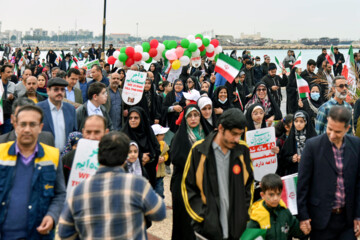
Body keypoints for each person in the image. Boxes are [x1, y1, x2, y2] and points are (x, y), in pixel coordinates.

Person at [58, 132, 166, 239]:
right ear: (125, 158)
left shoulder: (79, 190)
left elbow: (64, 232)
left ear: (98, 154)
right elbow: (159, 213)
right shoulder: (138, 185)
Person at [182, 108, 254, 240]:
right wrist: (204, 218)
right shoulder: (198, 150)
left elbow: (248, 186)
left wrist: (243, 216)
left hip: (236, 231)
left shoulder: (243, 150)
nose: (237, 139)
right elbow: (187, 187)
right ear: (221, 128)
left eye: (240, 134)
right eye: (233, 134)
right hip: (207, 233)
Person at [0, 105, 66, 239]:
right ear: (14, 124)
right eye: (23, 124)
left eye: (32, 124)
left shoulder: (53, 156)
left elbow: (60, 194)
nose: (27, 129)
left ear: (40, 127)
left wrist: (52, 216)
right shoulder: (1, 153)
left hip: (39, 235)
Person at [297, 106, 360, 240]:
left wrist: (357, 215)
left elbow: (358, 184)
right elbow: (303, 184)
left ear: (346, 129)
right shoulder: (313, 146)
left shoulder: (356, 145)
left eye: (337, 132)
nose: (332, 135)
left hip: (347, 220)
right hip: (321, 219)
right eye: (329, 129)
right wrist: (303, 216)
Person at [170, 104, 209, 240]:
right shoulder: (179, 137)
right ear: (185, 119)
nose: (193, 119)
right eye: (189, 116)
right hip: (183, 184)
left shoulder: (208, 134)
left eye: (196, 115)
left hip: (204, 184)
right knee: (184, 221)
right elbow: (176, 158)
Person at [247, 174, 304, 240]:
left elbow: (297, 230)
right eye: (271, 195)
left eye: (278, 194)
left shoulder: (285, 211)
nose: (275, 198)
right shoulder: (256, 217)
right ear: (262, 195)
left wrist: (304, 228)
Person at [62, 115, 109, 185]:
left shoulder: (113, 159)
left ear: (106, 133)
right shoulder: (68, 159)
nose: (92, 137)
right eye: (88, 132)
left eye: (97, 132)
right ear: (83, 132)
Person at [122, 107, 160, 188]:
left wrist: (149, 157)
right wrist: (140, 157)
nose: (133, 120)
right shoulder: (123, 135)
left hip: (149, 172)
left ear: (142, 119)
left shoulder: (148, 133)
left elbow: (156, 149)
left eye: (136, 118)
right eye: (130, 118)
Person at [37, 77, 77, 151]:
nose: (59, 92)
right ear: (48, 90)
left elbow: (74, 133)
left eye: (62, 90)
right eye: (56, 89)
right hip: (46, 155)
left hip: (65, 157)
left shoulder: (70, 109)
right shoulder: (38, 108)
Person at [279, 111, 317, 175]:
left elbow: (319, 156)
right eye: (296, 121)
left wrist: (306, 158)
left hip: (311, 172)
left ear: (306, 122)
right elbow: (283, 159)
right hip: (295, 173)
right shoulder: (290, 139)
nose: (298, 124)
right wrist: (291, 159)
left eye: (301, 121)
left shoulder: (313, 138)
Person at [151, 124, 170, 198]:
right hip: (152, 173)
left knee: (160, 189)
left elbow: (166, 154)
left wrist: (164, 158)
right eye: (161, 134)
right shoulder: (150, 145)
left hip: (160, 173)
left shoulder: (164, 144)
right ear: (155, 136)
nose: (164, 136)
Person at [0, 64, 16, 134]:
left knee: (6, 138)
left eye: (11, 72)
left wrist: (13, 97)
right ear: (1, 73)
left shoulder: (13, 85)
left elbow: (17, 99)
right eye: (8, 72)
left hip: (8, 117)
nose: (10, 74)